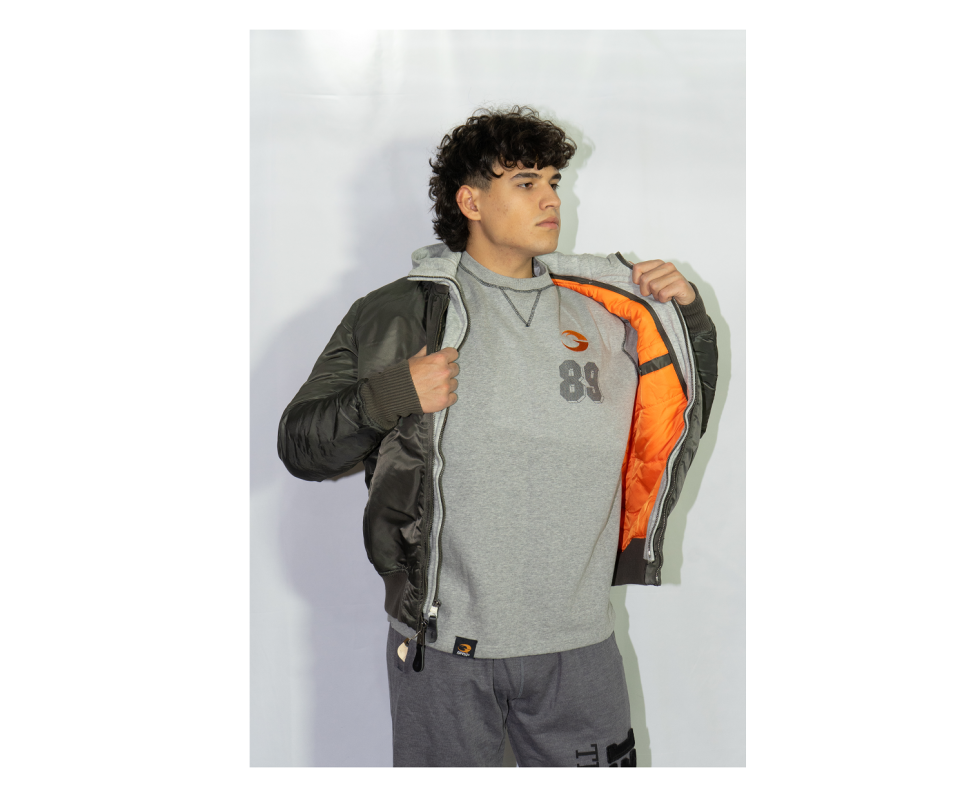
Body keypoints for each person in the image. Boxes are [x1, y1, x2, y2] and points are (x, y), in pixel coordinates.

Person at [277, 106, 718, 767]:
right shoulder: (399, 313)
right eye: (526, 183)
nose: (551, 199)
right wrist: (393, 394)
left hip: (580, 649)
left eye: (553, 182)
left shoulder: (614, 311)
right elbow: (300, 445)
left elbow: (680, 411)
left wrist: (686, 317)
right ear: (471, 202)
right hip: (445, 650)